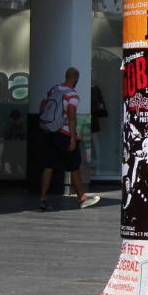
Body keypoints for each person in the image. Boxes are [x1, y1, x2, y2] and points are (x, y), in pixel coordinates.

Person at [37, 67, 100, 211]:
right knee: (74, 166)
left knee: (48, 166)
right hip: (64, 134)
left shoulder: (54, 89)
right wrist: (72, 137)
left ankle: (43, 199)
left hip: (50, 132)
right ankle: (82, 198)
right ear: (76, 78)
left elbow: (43, 104)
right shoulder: (72, 94)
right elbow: (71, 115)